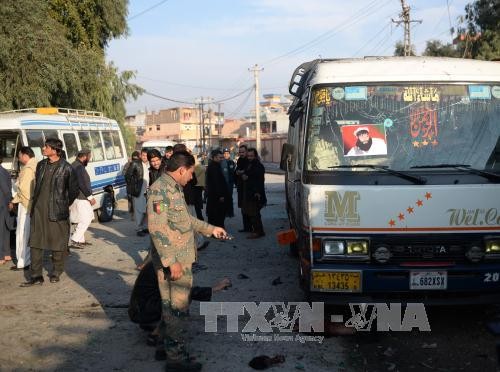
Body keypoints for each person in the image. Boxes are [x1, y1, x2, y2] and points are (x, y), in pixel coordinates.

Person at [147, 150, 227, 372]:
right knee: (178, 310)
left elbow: (185, 219)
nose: (192, 177)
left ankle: (166, 347)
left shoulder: (173, 188)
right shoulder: (160, 190)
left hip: (179, 257)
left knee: (171, 308)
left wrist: (211, 229)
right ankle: (176, 360)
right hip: (174, 261)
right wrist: (172, 261)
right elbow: (157, 228)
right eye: (191, 173)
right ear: (182, 170)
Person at [21, 138, 78, 286]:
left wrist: (63, 205)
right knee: (35, 243)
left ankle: (56, 272)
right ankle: (36, 276)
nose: (43, 148)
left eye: (46, 147)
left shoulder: (67, 168)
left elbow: (73, 191)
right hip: (38, 210)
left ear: (54, 150)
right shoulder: (41, 165)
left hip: (57, 211)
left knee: (57, 244)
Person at [9, 147, 37, 270]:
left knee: (22, 234)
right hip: (33, 204)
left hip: (25, 205)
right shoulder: (37, 164)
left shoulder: (27, 169)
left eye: (20, 156)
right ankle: (26, 259)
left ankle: (23, 262)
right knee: (27, 233)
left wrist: (13, 201)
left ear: (25, 155)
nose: (19, 158)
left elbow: (24, 190)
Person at [69, 149, 96, 249]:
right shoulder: (79, 167)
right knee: (86, 219)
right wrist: (90, 197)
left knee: (81, 219)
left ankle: (80, 240)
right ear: (84, 157)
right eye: (89, 157)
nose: (89, 159)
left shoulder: (74, 165)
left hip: (77, 197)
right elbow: (81, 183)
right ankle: (74, 239)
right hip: (81, 197)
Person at [241, 148, 267, 239]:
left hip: (255, 193)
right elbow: (246, 174)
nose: (249, 157)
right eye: (248, 156)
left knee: (254, 213)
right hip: (249, 192)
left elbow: (259, 181)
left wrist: (257, 192)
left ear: (255, 156)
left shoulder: (258, 166)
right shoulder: (249, 164)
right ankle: (257, 230)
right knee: (252, 213)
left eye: (251, 156)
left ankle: (258, 231)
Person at [125, 149, 149, 236]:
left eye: (146, 156)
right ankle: (139, 229)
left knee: (146, 210)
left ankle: (145, 227)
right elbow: (127, 175)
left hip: (148, 190)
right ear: (140, 156)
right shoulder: (135, 163)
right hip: (139, 190)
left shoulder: (150, 164)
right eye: (143, 155)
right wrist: (134, 186)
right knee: (139, 210)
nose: (145, 157)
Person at [205, 149, 229, 228]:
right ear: (214, 157)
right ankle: (217, 231)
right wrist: (221, 195)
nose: (222, 159)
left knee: (214, 213)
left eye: (222, 157)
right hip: (216, 196)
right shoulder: (214, 167)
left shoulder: (215, 166)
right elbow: (217, 183)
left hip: (214, 195)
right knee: (217, 213)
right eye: (220, 157)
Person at [0, 157, 14, 265]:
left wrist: (9, 199)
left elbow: (5, 188)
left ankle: (1, 257)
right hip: (4, 203)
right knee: (5, 228)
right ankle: (7, 254)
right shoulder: (4, 171)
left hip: (1, 203)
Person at [235, 144, 251, 232]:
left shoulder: (249, 160)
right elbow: (237, 171)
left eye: (243, 152)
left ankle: (252, 227)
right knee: (242, 207)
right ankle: (246, 227)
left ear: (246, 151)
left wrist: (242, 172)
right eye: (240, 152)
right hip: (241, 187)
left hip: (248, 188)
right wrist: (238, 172)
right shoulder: (240, 160)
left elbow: (249, 172)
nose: (241, 154)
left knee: (249, 208)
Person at [124, 151, 140, 220]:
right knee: (131, 201)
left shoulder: (140, 164)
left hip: (138, 185)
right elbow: (124, 173)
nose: (135, 160)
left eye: (136, 159)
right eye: (134, 159)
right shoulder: (128, 164)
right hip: (130, 186)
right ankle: (132, 215)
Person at [220, 148, 236, 218]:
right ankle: (224, 212)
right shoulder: (221, 162)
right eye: (225, 153)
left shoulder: (231, 162)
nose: (226, 154)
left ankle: (230, 212)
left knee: (229, 197)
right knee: (224, 198)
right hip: (223, 183)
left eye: (227, 153)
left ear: (229, 154)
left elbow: (232, 173)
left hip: (229, 183)